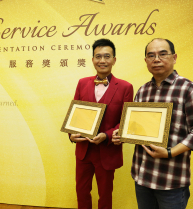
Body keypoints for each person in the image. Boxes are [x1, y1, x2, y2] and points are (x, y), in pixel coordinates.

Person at [113, 38, 193, 209]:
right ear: (146, 61)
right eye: (151, 55)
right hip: (142, 174)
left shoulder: (189, 90)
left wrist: (170, 152)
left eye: (162, 54)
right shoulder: (143, 91)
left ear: (174, 57)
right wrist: (123, 133)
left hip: (170, 179)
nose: (156, 59)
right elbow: (138, 127)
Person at [69, 38, 133, 209]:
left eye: (107, 56)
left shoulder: (126, 87)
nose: (102, 61)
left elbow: (125, 122)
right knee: (81, 191)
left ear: (114, 60)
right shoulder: (82, 83)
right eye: (98, 56)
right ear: (92, 60)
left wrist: (107, 135)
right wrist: (71, 134)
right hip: (84, 151)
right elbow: (76, 114)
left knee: (105, 195)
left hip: (107, 151)